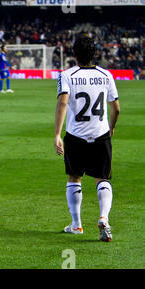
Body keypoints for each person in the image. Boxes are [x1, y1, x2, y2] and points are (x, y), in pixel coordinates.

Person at [55, 37, 120, 242]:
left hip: (75, 137)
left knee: (74, 178)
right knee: (103, 178)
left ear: (74, 54)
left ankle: (76, 225)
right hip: (101, 135)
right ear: (95, 54)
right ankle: (104, 218)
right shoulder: (106, 75)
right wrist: (111, 128)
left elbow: (63, 103)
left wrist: (57, 134)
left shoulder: (66, 75)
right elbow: (116, 108)